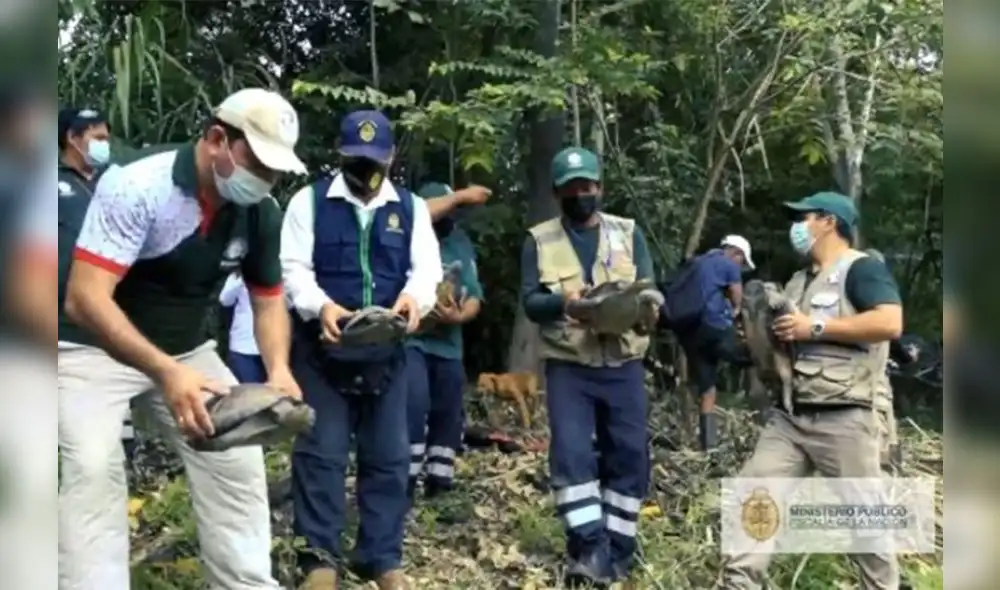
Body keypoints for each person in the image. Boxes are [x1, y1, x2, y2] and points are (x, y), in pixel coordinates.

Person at [60, 87, 306, 590]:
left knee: (237, 457)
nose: (267, 179)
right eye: (258, 164)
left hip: (185, 349)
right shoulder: (138, 186)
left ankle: (245, 584)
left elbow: (267, 299)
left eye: (275, 170)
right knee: (92, 467)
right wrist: (167, 373)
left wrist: (279, 370)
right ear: (217, 140)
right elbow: (84, 299)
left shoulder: (259, 211)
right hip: (90, 345)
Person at [281, 109, 442, 590]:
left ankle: (381, 555)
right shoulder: (309, 203)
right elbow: (293, 270)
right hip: (323, 350)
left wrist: (414, 299)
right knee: (321, 454)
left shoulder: (410, 209)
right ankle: (317, 559)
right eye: (355, 159)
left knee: (390, 457)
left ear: (390, 157)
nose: (365, 169)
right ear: (340, 154)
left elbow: (426, 270)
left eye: (374, 159)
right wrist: (321, 306)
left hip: (387, 353)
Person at [721, 192, 903, 589]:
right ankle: (739, 582)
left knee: (867, 522)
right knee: (754, 495)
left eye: (804, 218)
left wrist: (815, 327)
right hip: (791, 415)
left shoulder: (862, 269)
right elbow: (787, 340)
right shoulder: (799, 280)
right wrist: (756, 334)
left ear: (829, 222)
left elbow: (890, 323)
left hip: (845, 416)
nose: (797, 227)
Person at [521, 146, 659, 586]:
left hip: (623, 363)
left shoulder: (628, 233)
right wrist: (566, 304)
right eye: (572, 188)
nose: (581, 194)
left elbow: (650, 288)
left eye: (588, 186)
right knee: (572, 455)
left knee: (629, 455)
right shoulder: (539, 239)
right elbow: (531, 301)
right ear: (557, 193)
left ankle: (618, 551)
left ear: (600, 186)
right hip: (570, 365)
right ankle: (589, 547)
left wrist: (646, 308)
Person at [56, 106, 139, 457]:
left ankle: (127, 478)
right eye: (98, 138)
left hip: (117, 322)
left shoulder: (118, 180)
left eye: (107, 137)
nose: (105, 144)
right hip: (66, 332)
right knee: (86, 443)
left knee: (117, 433)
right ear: (72, 139)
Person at [406, 182, 486, 500]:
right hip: (412, 341)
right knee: (413, 406)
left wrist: (458, 315)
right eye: (446, 206)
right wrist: (461, 196)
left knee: (448, 412)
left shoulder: (460, 242)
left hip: (449, 346)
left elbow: (475, 294)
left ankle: (440, 485)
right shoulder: (406, 236)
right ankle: (404, 483)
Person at [664, 235, 755, 451]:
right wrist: (735, 312)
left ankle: (708, 448)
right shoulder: (728, 264)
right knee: (752, 357)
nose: (740, 265)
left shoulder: (696, 262)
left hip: (688, 334)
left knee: (708, 388)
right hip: (713, 328)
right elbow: (737, 299)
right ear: (736, 253)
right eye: (742, 261)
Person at [220, 270, 269, 383]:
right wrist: (242, 278)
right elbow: (225, 300)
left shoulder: (278, 275)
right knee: (245, 391)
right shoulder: (237, 276)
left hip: (271, 349)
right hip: (242, 347)